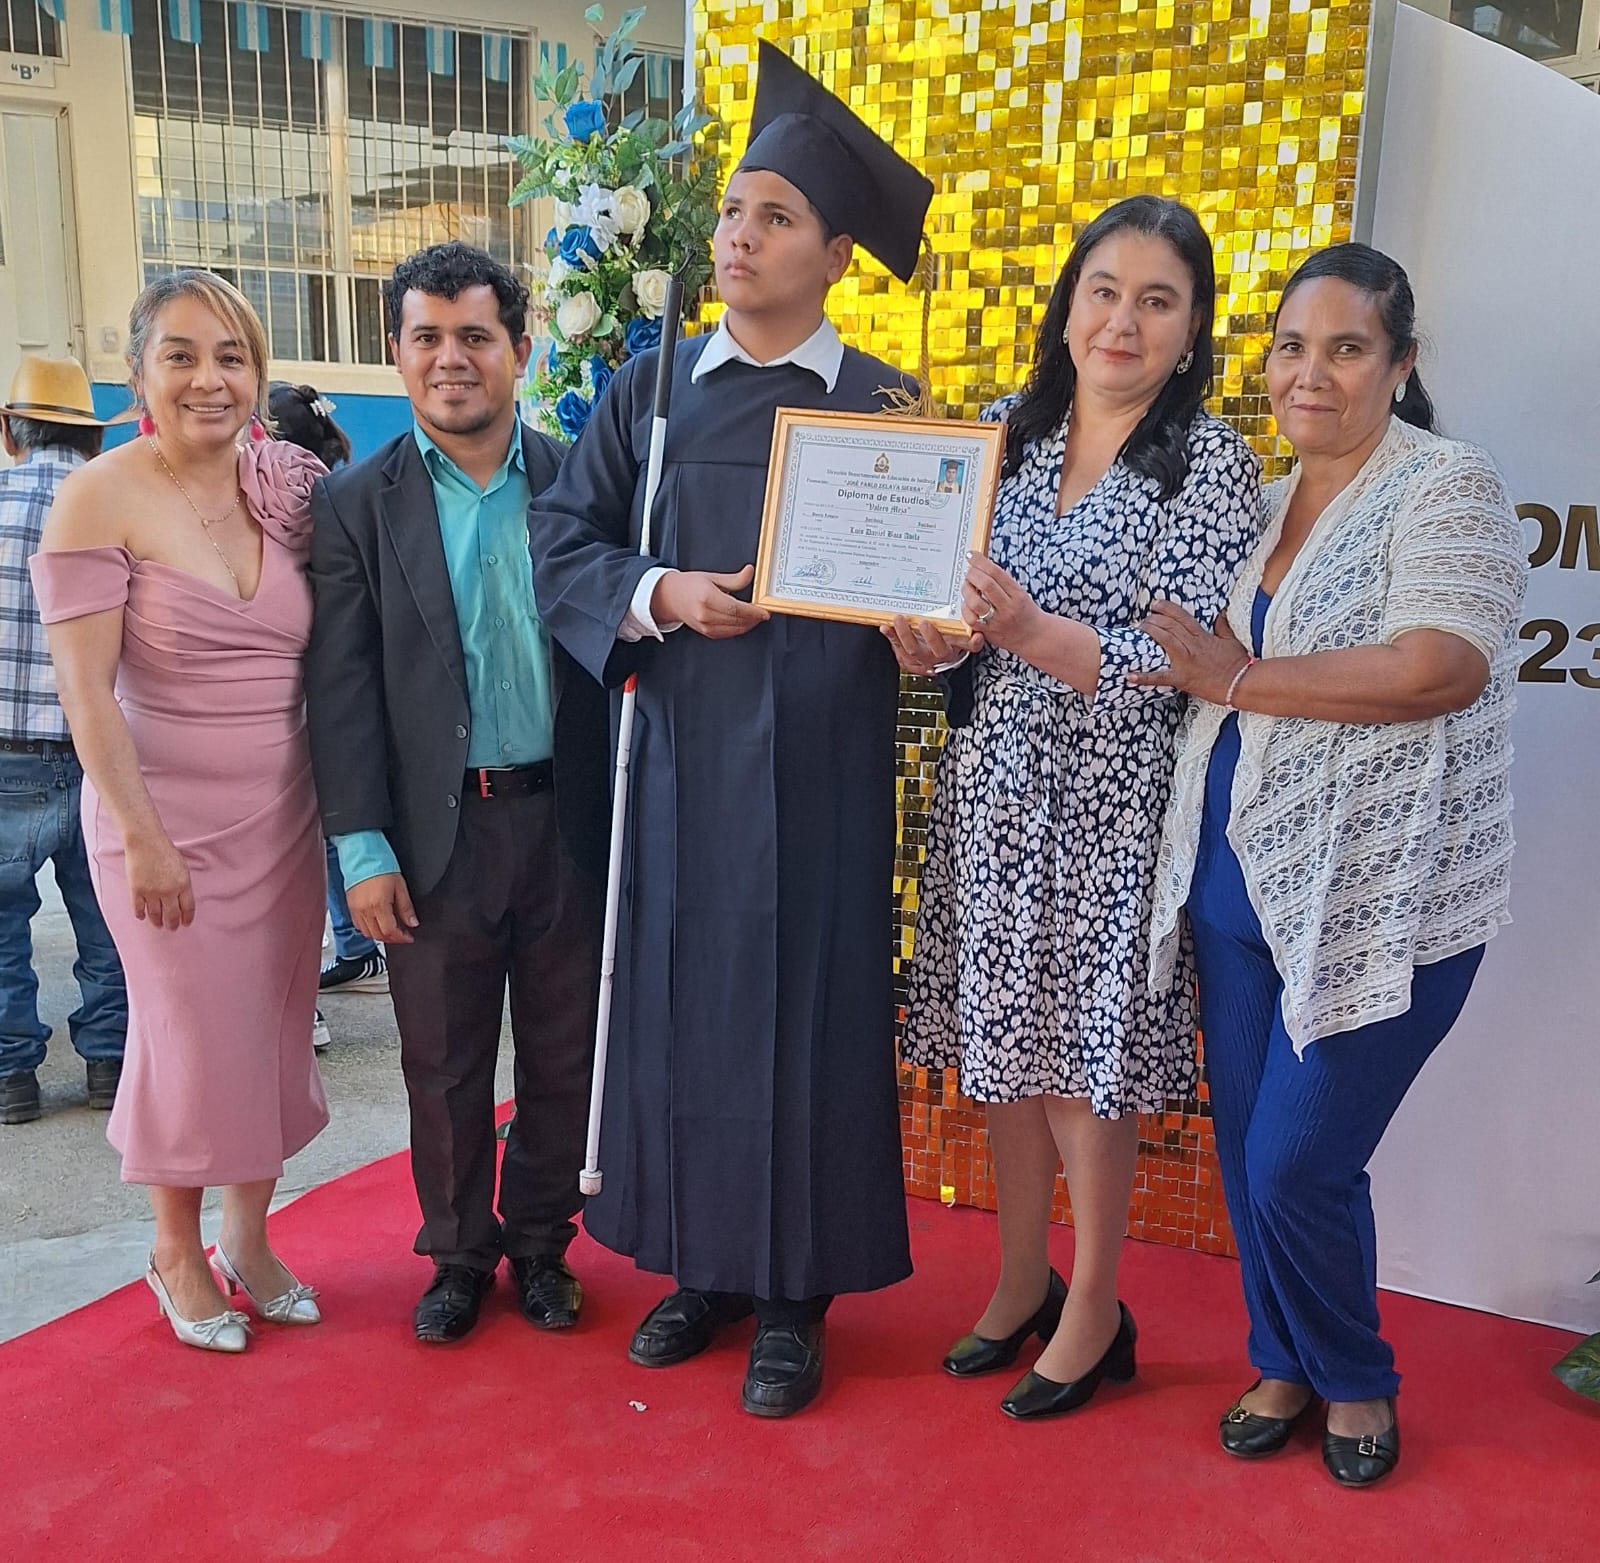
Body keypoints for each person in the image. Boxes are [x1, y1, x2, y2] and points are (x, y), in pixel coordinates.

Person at [528, 41, 934, 1419]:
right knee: (683, 1012)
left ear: (834, 253)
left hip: (821, 766)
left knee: (803, 1017)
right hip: (683, 763)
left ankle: (795, 1295)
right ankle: (700, 1265)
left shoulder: (886, 406)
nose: (737, 235)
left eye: (773, 216)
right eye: (733, 210)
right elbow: (560, 539)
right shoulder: (653, 390)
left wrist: (934, 630)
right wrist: (659, 593)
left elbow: (935, 602)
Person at [1136, 244, 1526, 1487]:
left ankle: (1354, 1377)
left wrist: (1238, 678)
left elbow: (1438, 667)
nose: (1315, 373)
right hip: (1233, 877)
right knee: (1250, 1139)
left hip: (1384, 894)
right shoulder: (1258, 501)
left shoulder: (1442, 485)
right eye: (1294, 347)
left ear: (1399, 366)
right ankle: (1281, 1356)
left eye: (1348, 348)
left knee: (1297, 1158)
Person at [890, 197, 1260, 1420]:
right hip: (999, 783)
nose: (1123, 321)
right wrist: (927, 641)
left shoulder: (1214, 464)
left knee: (1080, 1065)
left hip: (1118, 799)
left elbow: (1181, 652)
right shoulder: (1006, 432)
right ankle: (1018, 1282)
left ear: (1192, 325)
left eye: (1158, 300)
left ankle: (1096, 1305)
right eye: (1104, 290)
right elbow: (960, 622)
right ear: (1068, 302)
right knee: (1001, 1048)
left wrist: (1025, 628)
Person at [304, 242, 609, 1346]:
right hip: (433, 834)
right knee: (441, 1061)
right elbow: (338, 688)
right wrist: (362, 847)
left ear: (520, 353)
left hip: (567, 818)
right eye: (427, 336)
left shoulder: (582, 480)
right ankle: (454, 1256)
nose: (451, 359)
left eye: (475, 335)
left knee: (566, 1050)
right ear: (395, 353)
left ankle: (538, 1245)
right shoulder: (354, 506)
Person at [32, 271, 329, 1353]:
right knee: (185, 1042)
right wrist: (144, 838)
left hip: (286, 819)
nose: (211, 378)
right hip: (162, 827)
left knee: (270, 1030)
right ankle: (172, 1250)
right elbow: (84, 697)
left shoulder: (281, 486)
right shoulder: (96, 496)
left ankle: (249, 1241)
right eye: (183, 356)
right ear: (139, 375)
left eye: (232, 356)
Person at [0, 358, 131, 1125]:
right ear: (88, 439)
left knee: (3, 929)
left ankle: (12, 1076)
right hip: (103, 749)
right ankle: (110, 1063)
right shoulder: (114, 508)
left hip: (7, 753)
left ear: (9, 432)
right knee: (108, 920)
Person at [265, 381, 386, 1051]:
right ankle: (350, 944)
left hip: (295, 701)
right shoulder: (349, 489)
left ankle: (308, 990)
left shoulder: (293, 505)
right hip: (327, 697)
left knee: (299, 854)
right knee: (331, 840)